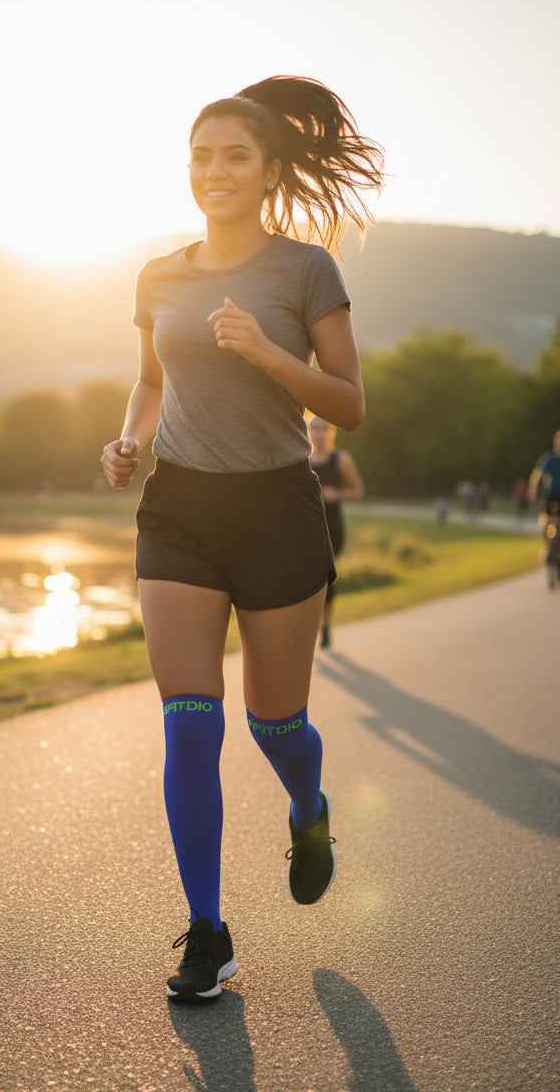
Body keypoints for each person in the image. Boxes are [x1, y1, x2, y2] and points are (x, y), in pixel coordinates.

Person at [100, 75, 383, 1004]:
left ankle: (308, 808)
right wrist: (130, 440)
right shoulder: (159, 275)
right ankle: (208, 931)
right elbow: (151, 381)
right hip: (179, 508)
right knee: (189, 721)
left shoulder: (305, 272)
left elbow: (349, 404)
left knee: (274, 723)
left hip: (275, 510)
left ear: (267, 172)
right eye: (199, 156)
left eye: (233, 156)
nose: (212, 170)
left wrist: (266, 352)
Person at [308, 417, 364, 648]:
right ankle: (309, 628)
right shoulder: (302, 460)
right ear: (308, 432)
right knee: (307, 581)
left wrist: (337, 494)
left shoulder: (341, 460)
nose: (319, 433)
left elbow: (358, 490)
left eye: (324, 429)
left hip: (333, 528)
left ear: (330, 432)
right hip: (306, 529)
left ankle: (326, 627)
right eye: (315, 429)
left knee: (326, 580)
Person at [527, 429, 560, 548]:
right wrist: (533, 489)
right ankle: (547, 545)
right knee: (546, 520)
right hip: (551, 495)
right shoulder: (550, 459)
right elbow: (538, 474)